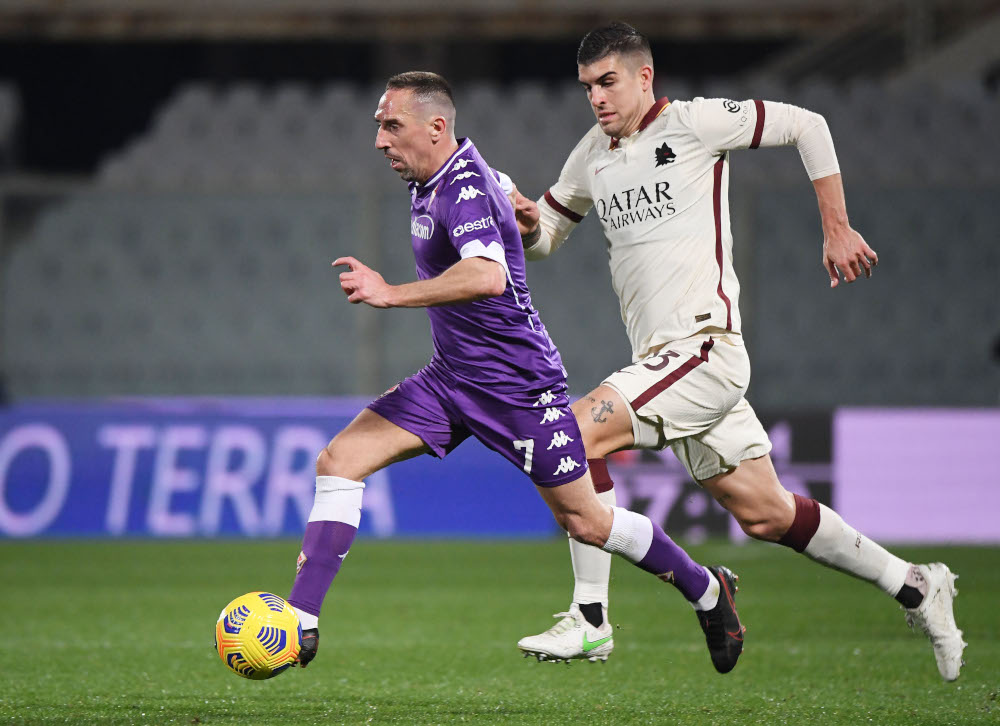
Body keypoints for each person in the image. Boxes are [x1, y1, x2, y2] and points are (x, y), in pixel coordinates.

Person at [511, 22, 966, 681]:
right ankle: (916, 584)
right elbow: (550, 234)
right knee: (766, 512)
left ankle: (590, 620)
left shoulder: (696, 125)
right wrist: (529, 221)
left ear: (645, 76)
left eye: (608, 82)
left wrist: (836, 227)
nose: (598, 99)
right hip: (665, 364)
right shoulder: (593, 154)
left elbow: (808, 124)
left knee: (571, 438)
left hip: (703, 349)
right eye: (587, 88)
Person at [285, 71, 746, 673]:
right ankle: (301, 621)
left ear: (436, 127)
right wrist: (525, 219)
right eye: (378, 126)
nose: (380, 140)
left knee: (587, 522)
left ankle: (708, 590)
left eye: (391, 125)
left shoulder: (464, 187)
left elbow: (488, 275)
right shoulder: (441, 175)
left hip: (518, 389)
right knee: (338, 461)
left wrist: (390, 293)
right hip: (450, 380)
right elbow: (511, 211)